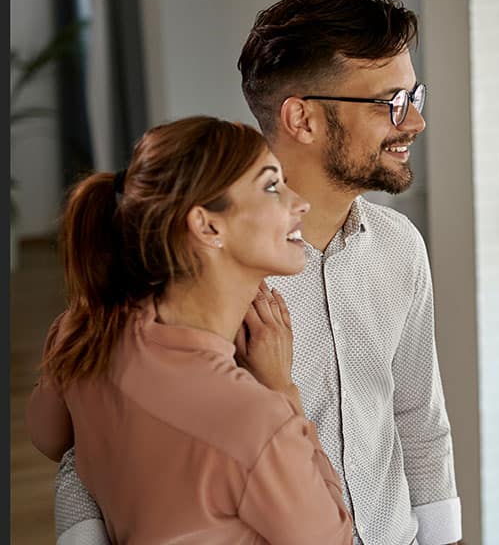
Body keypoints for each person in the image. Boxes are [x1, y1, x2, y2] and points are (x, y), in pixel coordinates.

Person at [50, 0, 461, 545]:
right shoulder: (200, 273)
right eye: (391, 102)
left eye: (417, 96)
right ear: (302, 118)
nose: (414, 122)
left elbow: (417, 416)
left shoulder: (400, 247)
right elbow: (88, 445)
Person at [24, 116, 351, 543]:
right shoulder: (256, 419)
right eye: (272, 186)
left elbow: (49, 438)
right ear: (207, 226)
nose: (299, 202)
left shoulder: (85, 329)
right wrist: (282, 392)